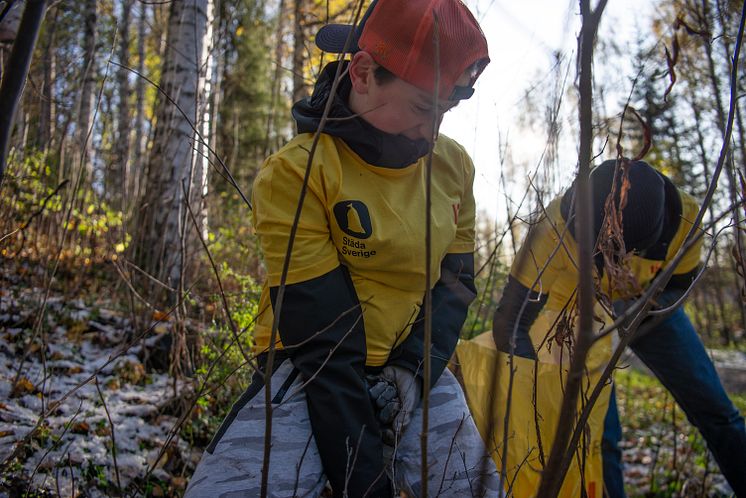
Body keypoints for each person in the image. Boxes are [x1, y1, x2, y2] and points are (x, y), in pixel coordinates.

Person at [185, 1, 501, 496]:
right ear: (363, 72)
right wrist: (365, 483)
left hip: (413, 362)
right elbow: (324, 341)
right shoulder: (297, 172)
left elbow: (455, 282)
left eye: (444, 112)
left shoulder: (453, 166)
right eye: (422, 107)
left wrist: (413, 371)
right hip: (309, 367)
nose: (431, 131)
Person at [459, 159, 746, 497]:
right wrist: (536, 385)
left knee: (716, 410)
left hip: (648, 307)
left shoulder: (685, 218)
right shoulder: (551, 230)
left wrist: (640, 313)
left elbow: (679, 284)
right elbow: (511, 322)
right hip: (577, 319)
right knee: (596, 435)